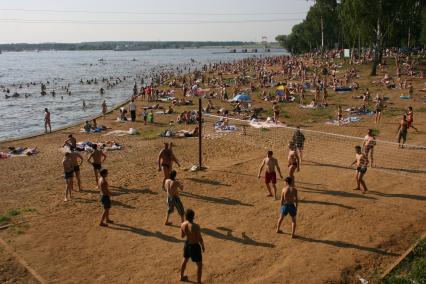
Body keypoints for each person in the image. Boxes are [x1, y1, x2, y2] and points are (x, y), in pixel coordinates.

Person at [180, 209, 205, 284]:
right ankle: (199, 282)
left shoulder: (183, 224)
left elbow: (182, 236)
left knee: (185, 260)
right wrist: (203, 246)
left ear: (186, 216)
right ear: (193, 217)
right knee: (199, 265)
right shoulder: (196, 226)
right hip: (195, 246)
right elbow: (199, 238)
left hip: (187, 244)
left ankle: (181, 276)